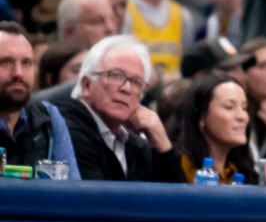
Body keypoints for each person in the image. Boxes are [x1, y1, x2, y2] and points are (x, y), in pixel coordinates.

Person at [56, 35, 183, 182]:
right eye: (115, 76)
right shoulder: (66, 128)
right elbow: (95, 201)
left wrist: (163, 146)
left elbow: (180, 202)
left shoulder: (134, 143)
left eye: (136, 82)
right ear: (86, 85)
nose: (127, 88)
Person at [0, 21, 79, 178]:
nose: (19, 73)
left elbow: (72, 193)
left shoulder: (49, 117)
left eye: (27, 63)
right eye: (5, 62)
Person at [175, 74, 257, 184]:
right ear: (202, 117)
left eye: (244, 108)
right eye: (229, 107)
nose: (242, 116)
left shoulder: (240, 171)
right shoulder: (179, 170)